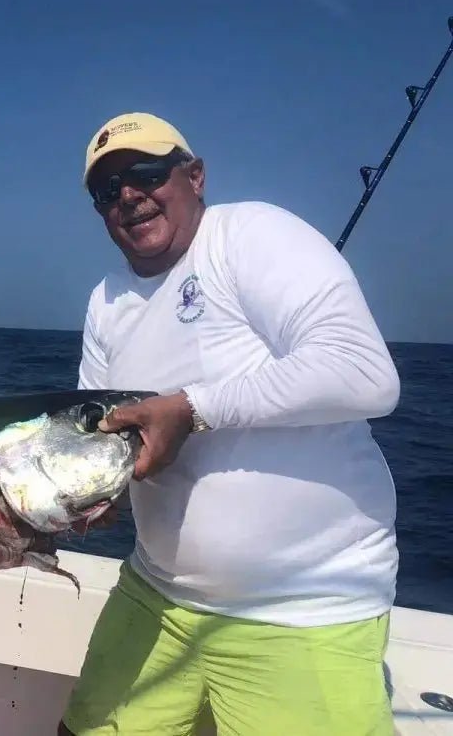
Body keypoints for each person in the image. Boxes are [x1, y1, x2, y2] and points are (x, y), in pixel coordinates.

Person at [58, 112, 401, 736]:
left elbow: (364, 373)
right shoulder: (105, 301)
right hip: (156, 593)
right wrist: (84, 497)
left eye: (145, 173)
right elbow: (97, 436)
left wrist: (191, 408)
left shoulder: (251, 234)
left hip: (303, 610)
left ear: (194, 176)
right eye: (108, 190)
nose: (129, 195)